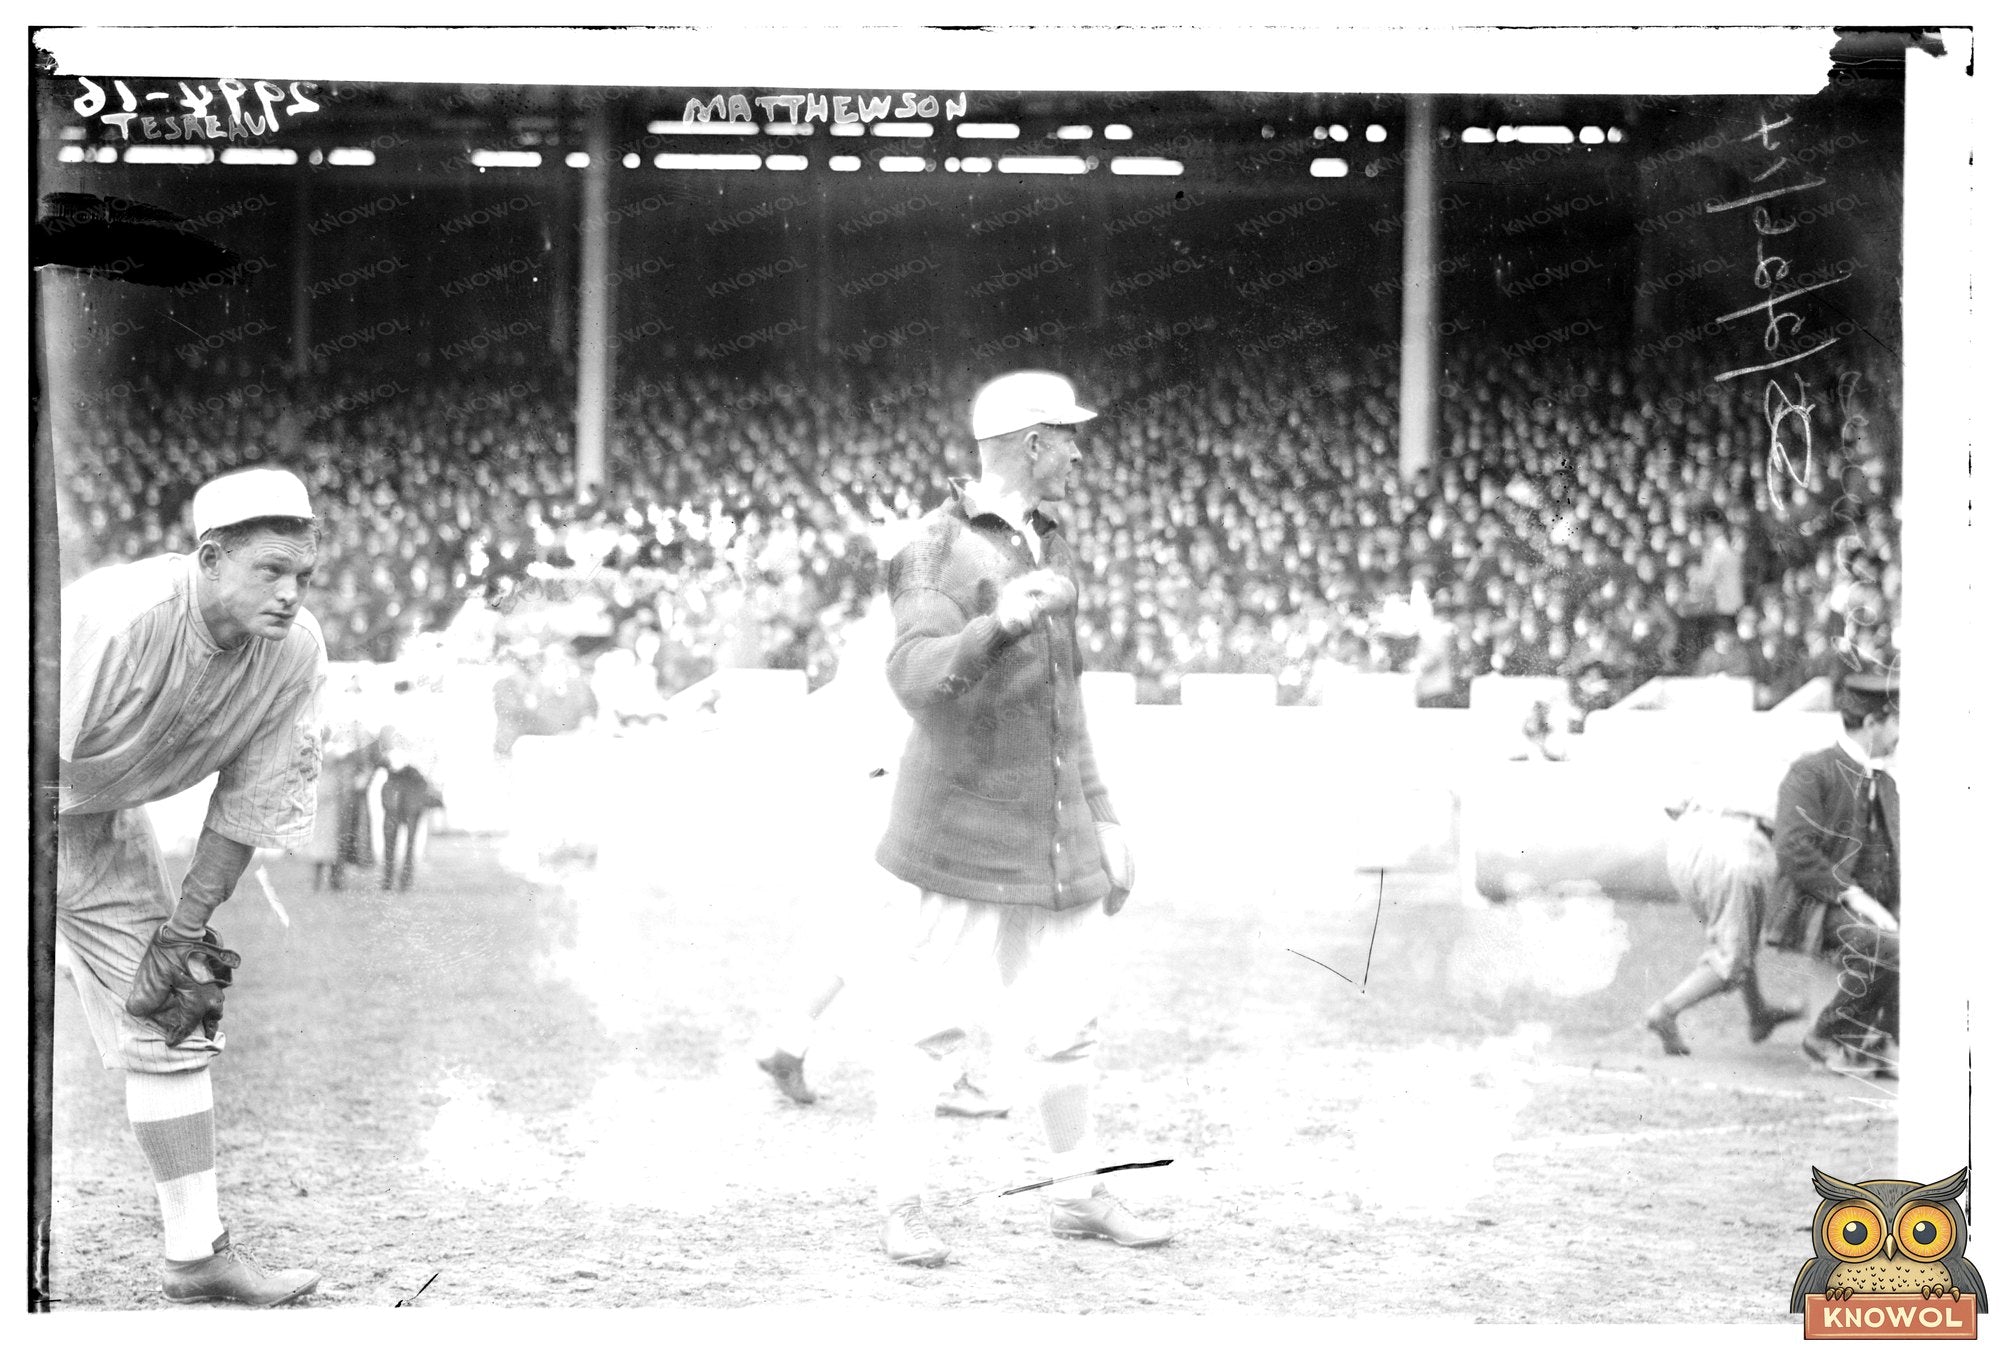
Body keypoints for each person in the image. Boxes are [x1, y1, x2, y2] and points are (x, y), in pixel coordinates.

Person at [866, 371, 1171, 1266]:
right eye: (1070, 436)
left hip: (1051, 829)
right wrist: (996, 623)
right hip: (955, 828)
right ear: (1031, 443)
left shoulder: (1052, 542)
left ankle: (1077, 1196)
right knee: (929, 1032)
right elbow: (916, 677)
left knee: (1068, 1023)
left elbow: (1063, 702)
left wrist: (1106, 816)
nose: (1081, 450)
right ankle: (903, 1207)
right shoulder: (927, 545)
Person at [57, 467, 328, 1304]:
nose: (290, 595)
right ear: (210, 558)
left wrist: (183, 930)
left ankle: (196, 1254)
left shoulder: (295, 653)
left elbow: (252, 802)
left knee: (178, 1009)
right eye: (270, 571)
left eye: (303, 576)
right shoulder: (113, 618)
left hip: (93, 825)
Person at [1770, 668, 1901, 1079]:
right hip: (1815, 907)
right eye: (1897, 723)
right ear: (1872, 723)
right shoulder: (1811, 772)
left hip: (1871, 908)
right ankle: (1826, 1036)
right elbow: (1793, 849)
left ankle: (1877, 1042)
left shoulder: (1887, 782)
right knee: (1891, 947)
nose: (1901, 735)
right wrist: (1853, 895)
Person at [1640, 804, 1803, 1055]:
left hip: (1685, 843)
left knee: (1738, 935)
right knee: (1732, 955)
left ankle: (1758, 1014)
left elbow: (1672, 808)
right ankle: (1666, 1011)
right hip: (1736, 848)